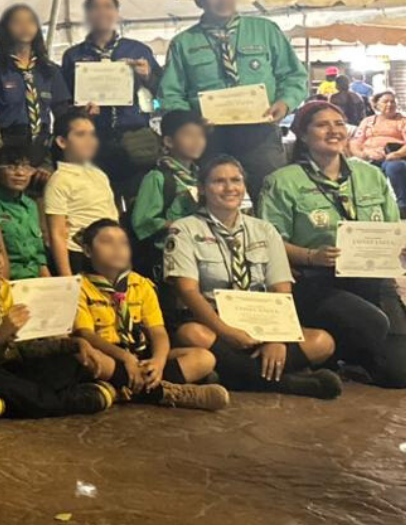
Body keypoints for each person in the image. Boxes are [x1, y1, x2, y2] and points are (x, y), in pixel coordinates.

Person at [166, 156, 343, 398]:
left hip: (262, 321)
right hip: (212, 322)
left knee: (323, 342)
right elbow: (187, 291)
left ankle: (236, 374)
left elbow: (281, 289)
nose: (229, 188)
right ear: (202, 189)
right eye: (218, 181)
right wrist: (226, 332)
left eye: (236, 180)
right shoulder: (184, 229)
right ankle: (285, 383)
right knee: (191, 334)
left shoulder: (264, 230)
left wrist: (276, 338)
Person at [258, 100, 406, 387]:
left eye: (338, 123)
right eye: (322, 125)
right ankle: (332, 349)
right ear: (303, 135)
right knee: (372, 324)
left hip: (374, 279)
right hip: (318, 281)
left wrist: (398, 245)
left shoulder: (370, 175)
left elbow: (392, 228)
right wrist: (311, 256)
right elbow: (269, 243)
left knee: (399, 374)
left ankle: (350, 354)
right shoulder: (282, 182)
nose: (333, 130)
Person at [0, 223, 113, 420]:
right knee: (25, 393)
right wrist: (2, 333)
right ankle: (69, 400)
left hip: (4, 365)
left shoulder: (5, 289)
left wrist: (72, 344)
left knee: (68, 362)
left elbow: (22, 346)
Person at [158, 0, 305, 196]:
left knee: (272, 196)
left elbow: (294, 75)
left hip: (261, 135)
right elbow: (170, 93)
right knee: (215, 198)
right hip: (209, 139)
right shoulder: (183, 43)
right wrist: (191, 123)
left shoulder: (265, 30)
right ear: (199, 0)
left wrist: (285, 103)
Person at [70, 220, 228, 410]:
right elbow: (86, 334)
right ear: (88, 250)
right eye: (107, 242)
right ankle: (168, 393)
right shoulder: (78, 287)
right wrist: (125, 358)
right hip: (109, 356)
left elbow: (157, 331)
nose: (117, 248)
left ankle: (119, 390)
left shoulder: (141, 285)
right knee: (83, 357)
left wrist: (158, 362)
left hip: (141, 356)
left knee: (204, 358)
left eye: (123, 243)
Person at [60, 0, 162, 198]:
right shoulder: (73, 55)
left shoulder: (137, 50)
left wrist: (147, 76)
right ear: (87, 14)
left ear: (117, 13)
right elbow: (65, 100)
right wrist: (80, 111)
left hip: (134, 134)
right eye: (95, 7)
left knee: (139, 197)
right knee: (98, 198)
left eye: (108, 7)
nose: (102, 12)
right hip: (93, 136)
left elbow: (162, 90)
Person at [0, 4, 70, 152]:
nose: (25, 26)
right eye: (17, 22)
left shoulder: (49, 70)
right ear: (6, 29)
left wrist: (59, 147)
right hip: (10, 144)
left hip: (43, 145)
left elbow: (63, 113)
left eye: (30, 21)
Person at [42, 110, 118, 276]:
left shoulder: (99, 174)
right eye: (81, 134)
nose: (89, 140)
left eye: (92, 134)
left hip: (109, 252)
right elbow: (57, 233)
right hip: (79, 255)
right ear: (62, 141)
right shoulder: (59, 180)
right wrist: (67, 277)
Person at [130, 112, 206, 275]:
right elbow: (143, 222)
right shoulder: (157, 177)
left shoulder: (202, 178)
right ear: (169, 141)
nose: (197, 141)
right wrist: (180, 226)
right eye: (188, 135)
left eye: (200, 135)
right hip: (170, 258)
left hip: (200, 255)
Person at [0, 140, 48, 280]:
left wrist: (50, 283)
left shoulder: (31, 205)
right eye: (11, 167)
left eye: (26, 167)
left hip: (36, 279)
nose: (20, 173)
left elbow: (39, 256)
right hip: (8, 280)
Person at [350, 90, 406, 205]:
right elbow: (355, 142)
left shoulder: (402, 121)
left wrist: (397, 154)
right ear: (376, 104)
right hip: (369, 157)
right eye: (386, 102)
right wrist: (363, 154)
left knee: (396, 167)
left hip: (392, 157)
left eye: (393, 102)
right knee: (356, 168)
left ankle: (403, 205)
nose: (390, 104)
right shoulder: (368, 121)